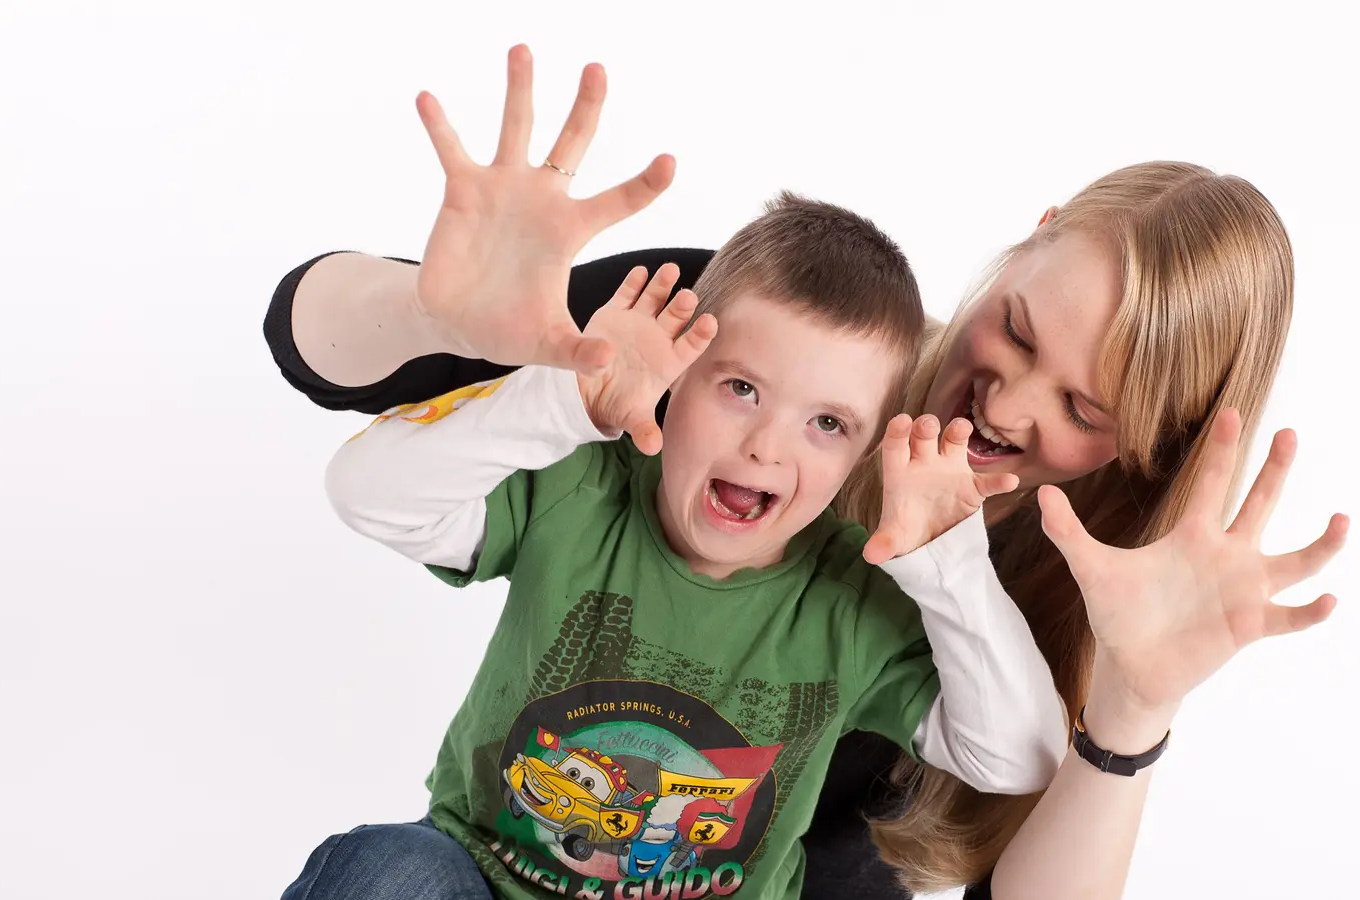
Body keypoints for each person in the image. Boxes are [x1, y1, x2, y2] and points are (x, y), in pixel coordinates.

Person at [265, 44, 1347, 900]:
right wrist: (440, 316)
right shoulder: (720, 335)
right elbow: (326, 372)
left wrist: (1128, 705)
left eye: (1082, 408)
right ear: (1033, 235)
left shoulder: (946, 601)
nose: (1005, 405)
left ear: (1142, 444)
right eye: (1017, 330)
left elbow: (1014, 771)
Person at [300, 193, 1068, 900]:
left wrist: (949, 558)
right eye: (740, 388)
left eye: (827, 423)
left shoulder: (854, 600)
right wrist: (565, 402)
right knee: (387, 870)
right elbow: (367, 492)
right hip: (482, 879)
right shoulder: (579, 487)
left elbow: (1020, 755)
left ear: (867, 453)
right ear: (677, 375)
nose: (767, 446)